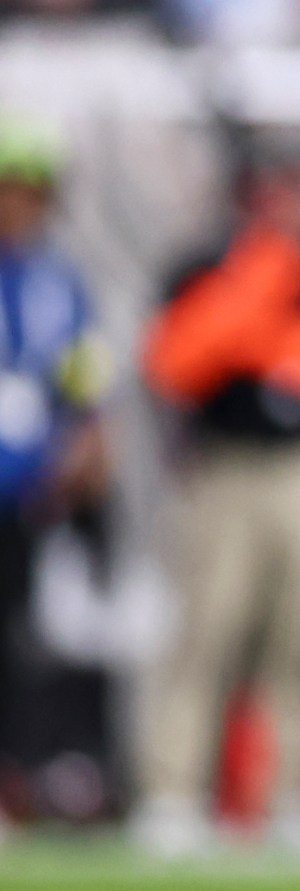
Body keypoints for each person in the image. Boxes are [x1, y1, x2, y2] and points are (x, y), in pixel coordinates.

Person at [137, 163, 300, 855]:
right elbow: (176, 361)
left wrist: (270, 347)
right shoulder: (210, 263)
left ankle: (295, 793)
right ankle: (172, 790)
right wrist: (266, 303)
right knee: (207, 630)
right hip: (227, 467)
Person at [0, 116, 107, 835]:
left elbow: (84, 385)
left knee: (21, 640)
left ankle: (18, 775)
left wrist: (89, 443)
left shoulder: (60, 283)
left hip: (26, 496)